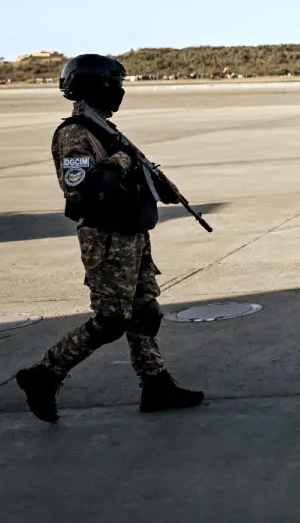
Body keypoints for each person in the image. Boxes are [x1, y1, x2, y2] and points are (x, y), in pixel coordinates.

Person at [14, 54, 204, 422]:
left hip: (132, 234)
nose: (119, 92)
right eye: (114, 85)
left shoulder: (102, 129)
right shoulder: (75, 132)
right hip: (105, 237)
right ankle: (44, 374)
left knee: (145, 312)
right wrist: (123, 161)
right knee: (111, 319)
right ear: (94, 86)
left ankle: (155, 383)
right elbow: (80, 186)